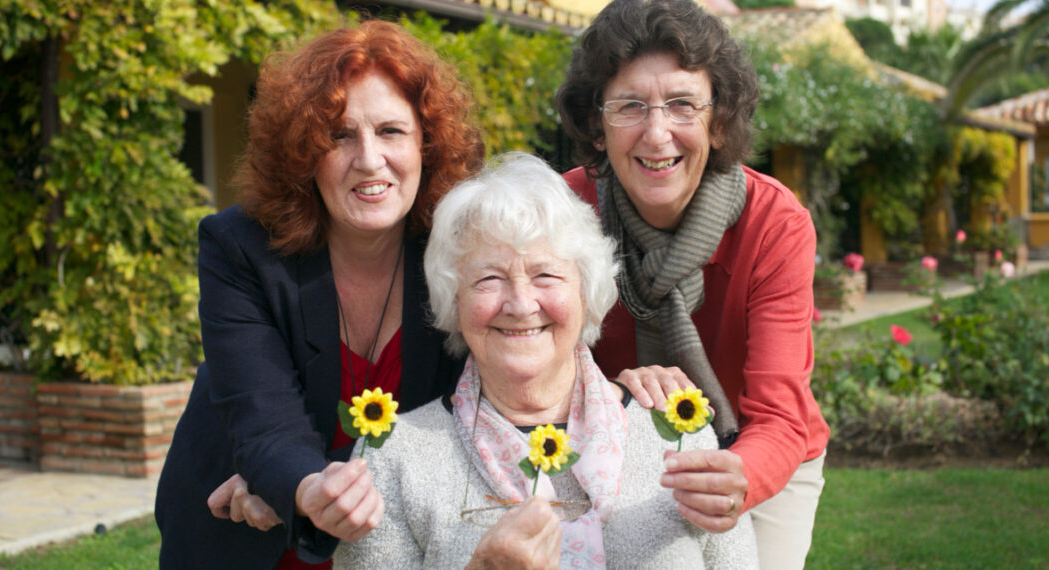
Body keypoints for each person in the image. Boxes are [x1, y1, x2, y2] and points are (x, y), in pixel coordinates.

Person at [154, 20, 483, 568]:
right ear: (305, 150)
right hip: (241, 531)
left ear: (427, 143)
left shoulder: (462, 250)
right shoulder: (240, 248)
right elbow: (264, 414)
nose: (370, 159)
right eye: (339, 135)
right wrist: (299, 485)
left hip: (385, 536)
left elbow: (466, 415)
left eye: (392, 132)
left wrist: (275, 482)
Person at [333, 152, 760, 569]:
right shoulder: (394, 460)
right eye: (489, 279)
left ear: (586, 292)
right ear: (454, 300)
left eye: (546, 275)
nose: (521, 304)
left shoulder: (676, 438)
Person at [554, 0, 831, 568]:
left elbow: (780, 415)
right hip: (608, 441)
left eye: (682, 104)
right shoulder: (562, 212)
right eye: (630, 106)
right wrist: (613, 393)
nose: (658, 135)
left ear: (718, 119)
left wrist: (739, 475)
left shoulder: (774, 223)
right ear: (596, 125)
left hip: (757, 450)